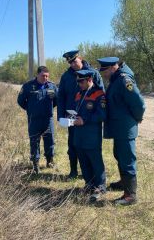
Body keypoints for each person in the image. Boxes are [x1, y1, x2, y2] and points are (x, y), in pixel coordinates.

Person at [97, 57, 146, 205]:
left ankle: (130, 195)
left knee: (127, 159)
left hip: (125, 128)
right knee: (119, 155)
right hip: (119, 127)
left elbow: (139, 103)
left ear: (113, 67)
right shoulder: (116, 78)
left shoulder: (124, 80)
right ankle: (124, 183)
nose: (103, 74)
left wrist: (137, 118)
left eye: (104, 71)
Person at [58, 50, 104, 179]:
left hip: (89, 117)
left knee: (91, 147)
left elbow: (101, 94)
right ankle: (73, 171)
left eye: (74, 61)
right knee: (73, 145)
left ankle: (93, 175)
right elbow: (61, 96)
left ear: (80, 58)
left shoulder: (93, 73)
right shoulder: (66, 76)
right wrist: (61, 116)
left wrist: (97, 116)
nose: (72, 64)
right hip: (71, 116)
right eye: (70, 62)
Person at [73, 70, 107, 202]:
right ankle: (89, 184)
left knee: (95, 161)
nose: (79, 84)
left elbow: (102, 115)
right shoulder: (78, 93)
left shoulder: (99, 94)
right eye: (78, 81)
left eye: (81, 81)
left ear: (89, 80)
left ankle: (100, 187)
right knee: (83, 160)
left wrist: (84, 120)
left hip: (92, 134)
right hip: (79, 134)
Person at [17, 66, 58, 174]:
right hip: (34, 120)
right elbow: (20, 101)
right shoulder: (28, 86)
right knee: (34, 142)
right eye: (43, 76)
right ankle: (35, 164)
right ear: (37, 74)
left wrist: (48, 109)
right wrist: (30, 109)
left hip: (47, 119)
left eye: (47, 76)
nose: (45, 78)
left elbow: (57, 100)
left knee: (50, 141)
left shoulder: (52, 86)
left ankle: (50, 161)